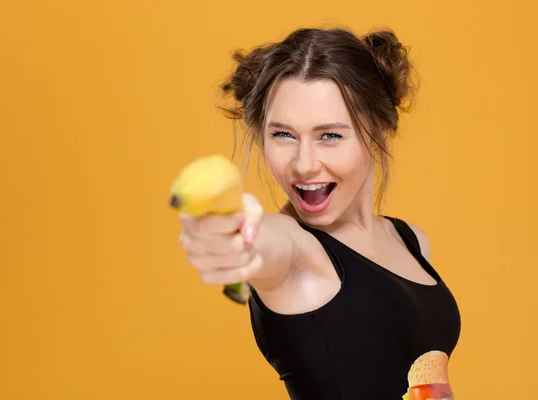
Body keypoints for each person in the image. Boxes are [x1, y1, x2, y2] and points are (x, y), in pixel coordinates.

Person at [177, 25, 461, 400]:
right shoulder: (298, 256)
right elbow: (264, 242)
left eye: (329, 135)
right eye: (283, 135)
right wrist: (234, 236)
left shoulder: (411, 242)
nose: (304, 165)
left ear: (381, 128)